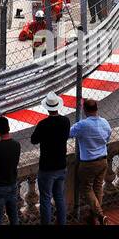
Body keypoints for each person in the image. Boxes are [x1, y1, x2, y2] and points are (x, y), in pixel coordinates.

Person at [69, 98, 112, 225]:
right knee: (98, 187)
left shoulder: (82, 124)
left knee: (86, 188)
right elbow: (108, 136)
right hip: (103, 160)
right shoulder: (105, 122)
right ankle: (94, 216)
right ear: (97, 109)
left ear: (85, 110)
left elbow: (69, 133)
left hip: (88, 162)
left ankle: (100, 215)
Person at [31, 93, 69, 225]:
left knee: (45, 199)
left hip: (47, 167)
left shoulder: (43, 124)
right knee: (59, 197)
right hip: (61, 164)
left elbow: (33, 140)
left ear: (47, 108)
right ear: (58, 106)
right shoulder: (66, 121)